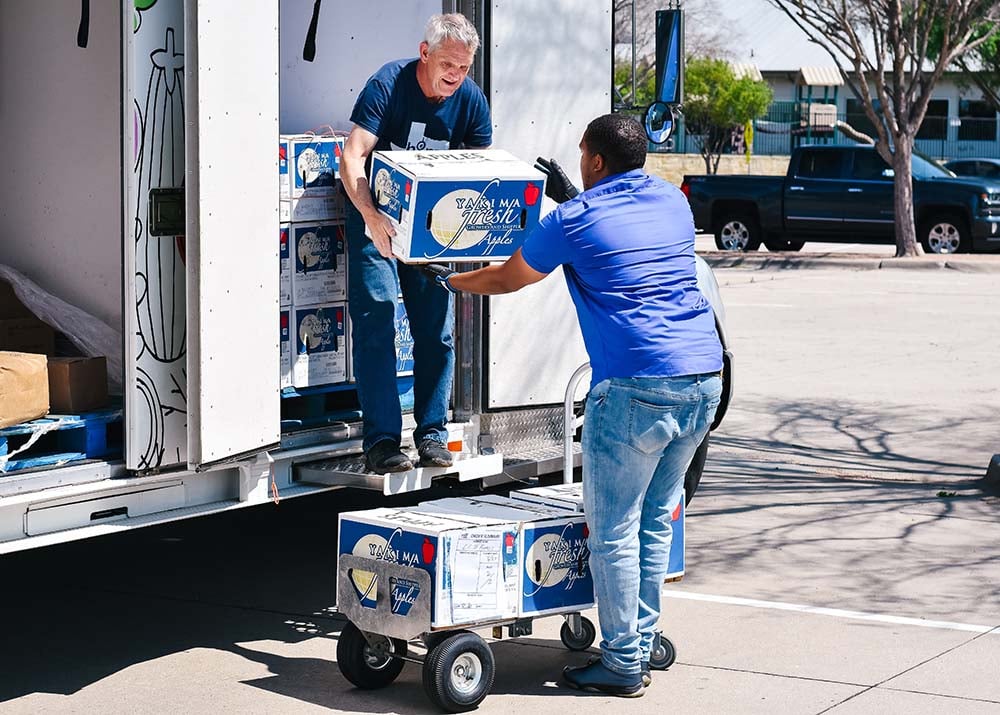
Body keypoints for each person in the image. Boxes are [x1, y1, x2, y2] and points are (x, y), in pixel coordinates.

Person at [426, 114, 723, 697]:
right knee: (656, 517)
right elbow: (629, 238)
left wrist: (452, 280)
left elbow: (511, 278)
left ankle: (621, 664)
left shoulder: (573, 219)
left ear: (593, 161)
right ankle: (642, 636)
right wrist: (579, 200)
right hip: (703, 379)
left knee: (612, 530)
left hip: (637, 389)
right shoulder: (674, 202)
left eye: (583, 152)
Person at [339, 14, 492, 474]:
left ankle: (431, 434)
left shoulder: (471, 100)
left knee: (436, 330)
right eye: (448, 63)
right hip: (376, 213)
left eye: (464, 68)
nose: (455, 75)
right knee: (377, 317)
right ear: (425, 53)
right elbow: (352, 155)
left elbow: (480, 174)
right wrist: (371, 217)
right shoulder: (389, 83)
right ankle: (382, 442)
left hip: (432, 228)